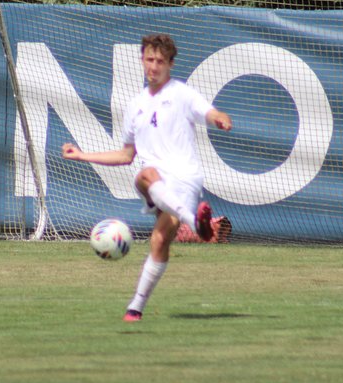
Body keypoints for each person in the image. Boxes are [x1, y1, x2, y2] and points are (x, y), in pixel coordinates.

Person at [62, 33, 232, 322]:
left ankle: (137, 305)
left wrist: (219, 118)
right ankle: (138, 305)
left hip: (186, 179)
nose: (154, 66)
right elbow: (126, 155)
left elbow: (210, 111)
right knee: (146, 180)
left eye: (160, 61)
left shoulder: (182, 93)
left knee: (157, 237)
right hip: (158, 181)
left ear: (170, 64)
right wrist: (82, 155)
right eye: (149, 59)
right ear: (142, 60)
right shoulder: (136, 105)